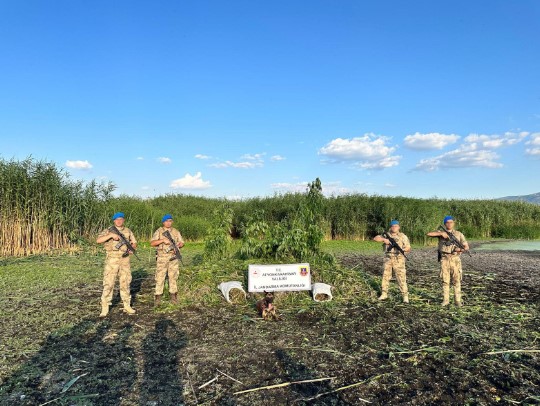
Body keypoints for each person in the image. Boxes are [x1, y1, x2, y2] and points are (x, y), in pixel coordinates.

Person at [96, 212, 137, 317]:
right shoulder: (108, 230)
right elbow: (98, 240)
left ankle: (127, 305)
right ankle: (105, 307)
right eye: (117, 219)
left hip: (125, 259)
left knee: (126, 282)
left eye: (121, 219)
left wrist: (132, 248)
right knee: (109, 283)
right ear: (114, 221)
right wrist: (110, 235)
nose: (119, 221)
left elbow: (134, 242)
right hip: (112, 260)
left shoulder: (128, 231)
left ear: (123, 220)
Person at [427, 216, 469, 307]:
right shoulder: (440, 233)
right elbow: (429, 234)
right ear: (445, 224)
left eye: (451, 222)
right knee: (445, 281)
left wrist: (460, 249)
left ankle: (457, 300)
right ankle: (446, 300)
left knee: (456, 280)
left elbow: (466, 246)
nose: (449, 224)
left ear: (454, 223)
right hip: (444, 259)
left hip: (455, 259)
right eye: (447, 222)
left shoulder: (459, 234)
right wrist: (442, 233)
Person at [373, 220, 411, 303]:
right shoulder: (386, 235)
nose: (394, 227)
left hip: (399, 258)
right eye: (393, 226)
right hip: (388, 258)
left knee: (401, 277)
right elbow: (375, 238)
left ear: (399, 227)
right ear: (390, 227)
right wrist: (384, 240)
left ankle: (405, 296)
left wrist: (403, 250)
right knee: (385, 276)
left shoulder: (403, 236)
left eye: (396, 226)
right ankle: (384, 294)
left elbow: (408, 248)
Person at [150, 214, 185, 306]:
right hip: (162, 257)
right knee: (160, 277)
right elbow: (152, 243)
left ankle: (173, 296)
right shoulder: (159, 231)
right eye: (166, 221)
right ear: (163, 222)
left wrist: (178, 245)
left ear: (172, 222)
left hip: (173, 257)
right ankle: (158, 297)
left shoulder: (176, 232)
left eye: (170, 221)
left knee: (173, 276)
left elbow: (182, 242)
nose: (168, 223)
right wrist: (162, 240)